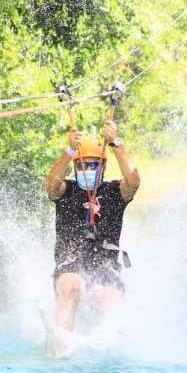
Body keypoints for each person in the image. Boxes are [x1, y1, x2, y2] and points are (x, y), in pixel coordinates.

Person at [44, 119, 140, 356]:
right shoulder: (67, 191)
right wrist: (69, 151)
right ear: (76, 168)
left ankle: (109, 352)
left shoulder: (115, 193)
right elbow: (50, 186)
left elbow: (134, 182)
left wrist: (115, 143)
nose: (88, 170)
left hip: (105, 264)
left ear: (104, 168)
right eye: (83, 165)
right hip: (71, 261)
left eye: (94, 165)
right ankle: (61, 349)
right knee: (71, 288)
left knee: (107, 300)